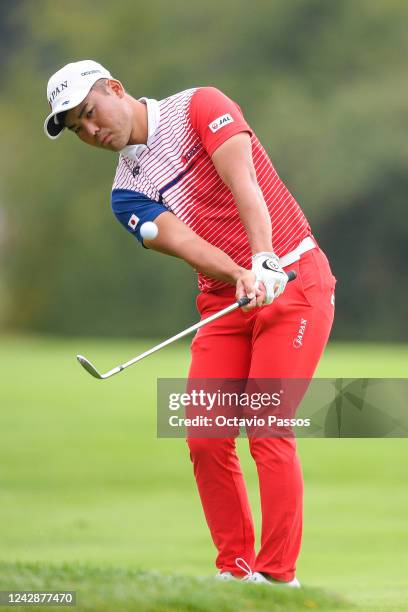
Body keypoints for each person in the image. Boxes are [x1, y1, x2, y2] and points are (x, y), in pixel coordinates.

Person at [44, 60, 336, 586]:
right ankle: (235, 573)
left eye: (89, 113)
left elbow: (242, 179)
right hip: (227, 300)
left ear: (116, 89)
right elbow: (181, 242)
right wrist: (240, 273)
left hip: (293, 278)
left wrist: (264, 258)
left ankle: (277, 580)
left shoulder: (201, 106)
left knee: (267, 425)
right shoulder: (123, 193)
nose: (89, 131)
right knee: (204, 434)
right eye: (76, 129)